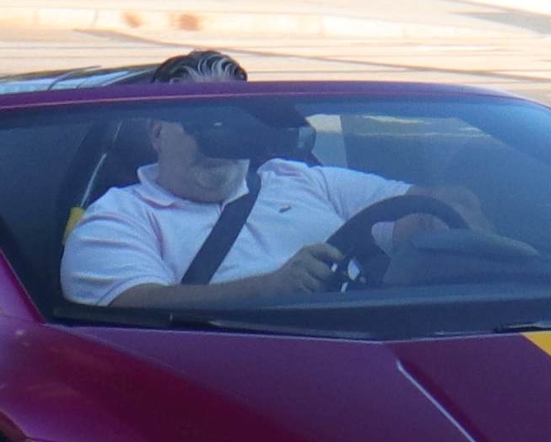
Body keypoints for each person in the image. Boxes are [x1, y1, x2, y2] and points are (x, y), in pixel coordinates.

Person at [60, 51, 478, 307]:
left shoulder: (302, 180)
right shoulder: (118, 217)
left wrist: (438, 238)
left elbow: (435, 208)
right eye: (201, 124)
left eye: (232, 123)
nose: (218, 141)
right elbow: (131, 306)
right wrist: (271, 289)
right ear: (157, 133)